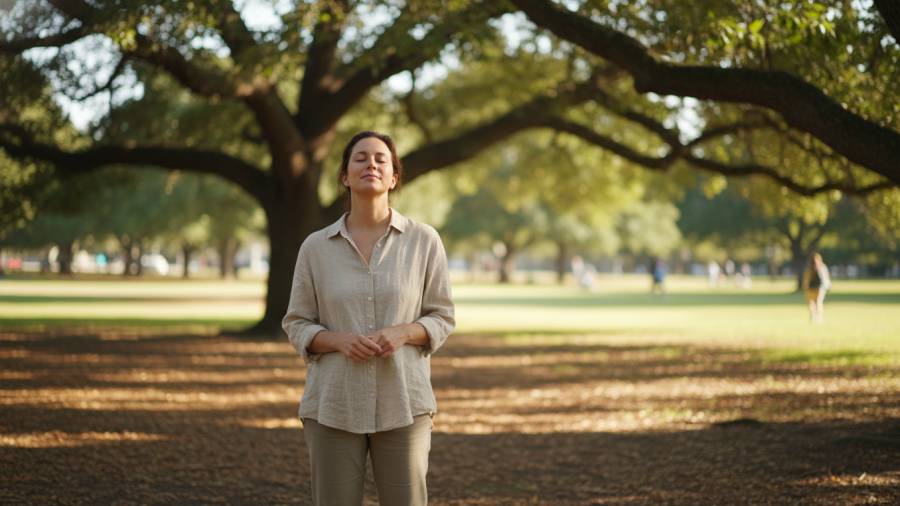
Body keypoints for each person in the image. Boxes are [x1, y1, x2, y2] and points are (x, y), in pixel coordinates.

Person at [282, 131, 455, 506]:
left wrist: (405, 332)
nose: (371, 164)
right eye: (360, 158)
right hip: (333, 406)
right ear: (345, 176)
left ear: (394, 177)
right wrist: (336, 340)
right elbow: (296, 322)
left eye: (381, 159)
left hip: (404, 404)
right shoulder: (315, 247)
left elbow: (442, 316)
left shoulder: (424, 241)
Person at [802, 252, 831, 323]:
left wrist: (804, 285)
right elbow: (827, 276)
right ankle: (819, 316)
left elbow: (807, 278)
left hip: (811, 287)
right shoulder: (822, 266)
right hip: (821, 287)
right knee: (819, 301)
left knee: (810, 301)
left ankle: (813, 314)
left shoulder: (809, 268)